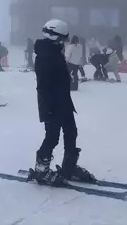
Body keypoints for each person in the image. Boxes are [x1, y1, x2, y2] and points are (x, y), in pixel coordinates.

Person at [32, 19, 94, 185]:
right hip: (52, 104)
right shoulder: (46, 56)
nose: (65, 41)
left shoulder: (54, 50)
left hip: (63, 102)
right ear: (58, 37)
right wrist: (50, 108)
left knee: (71, 132)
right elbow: (44, 86)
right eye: (64, 38)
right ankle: (41, 169)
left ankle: (69, 166)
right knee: (52, 137)